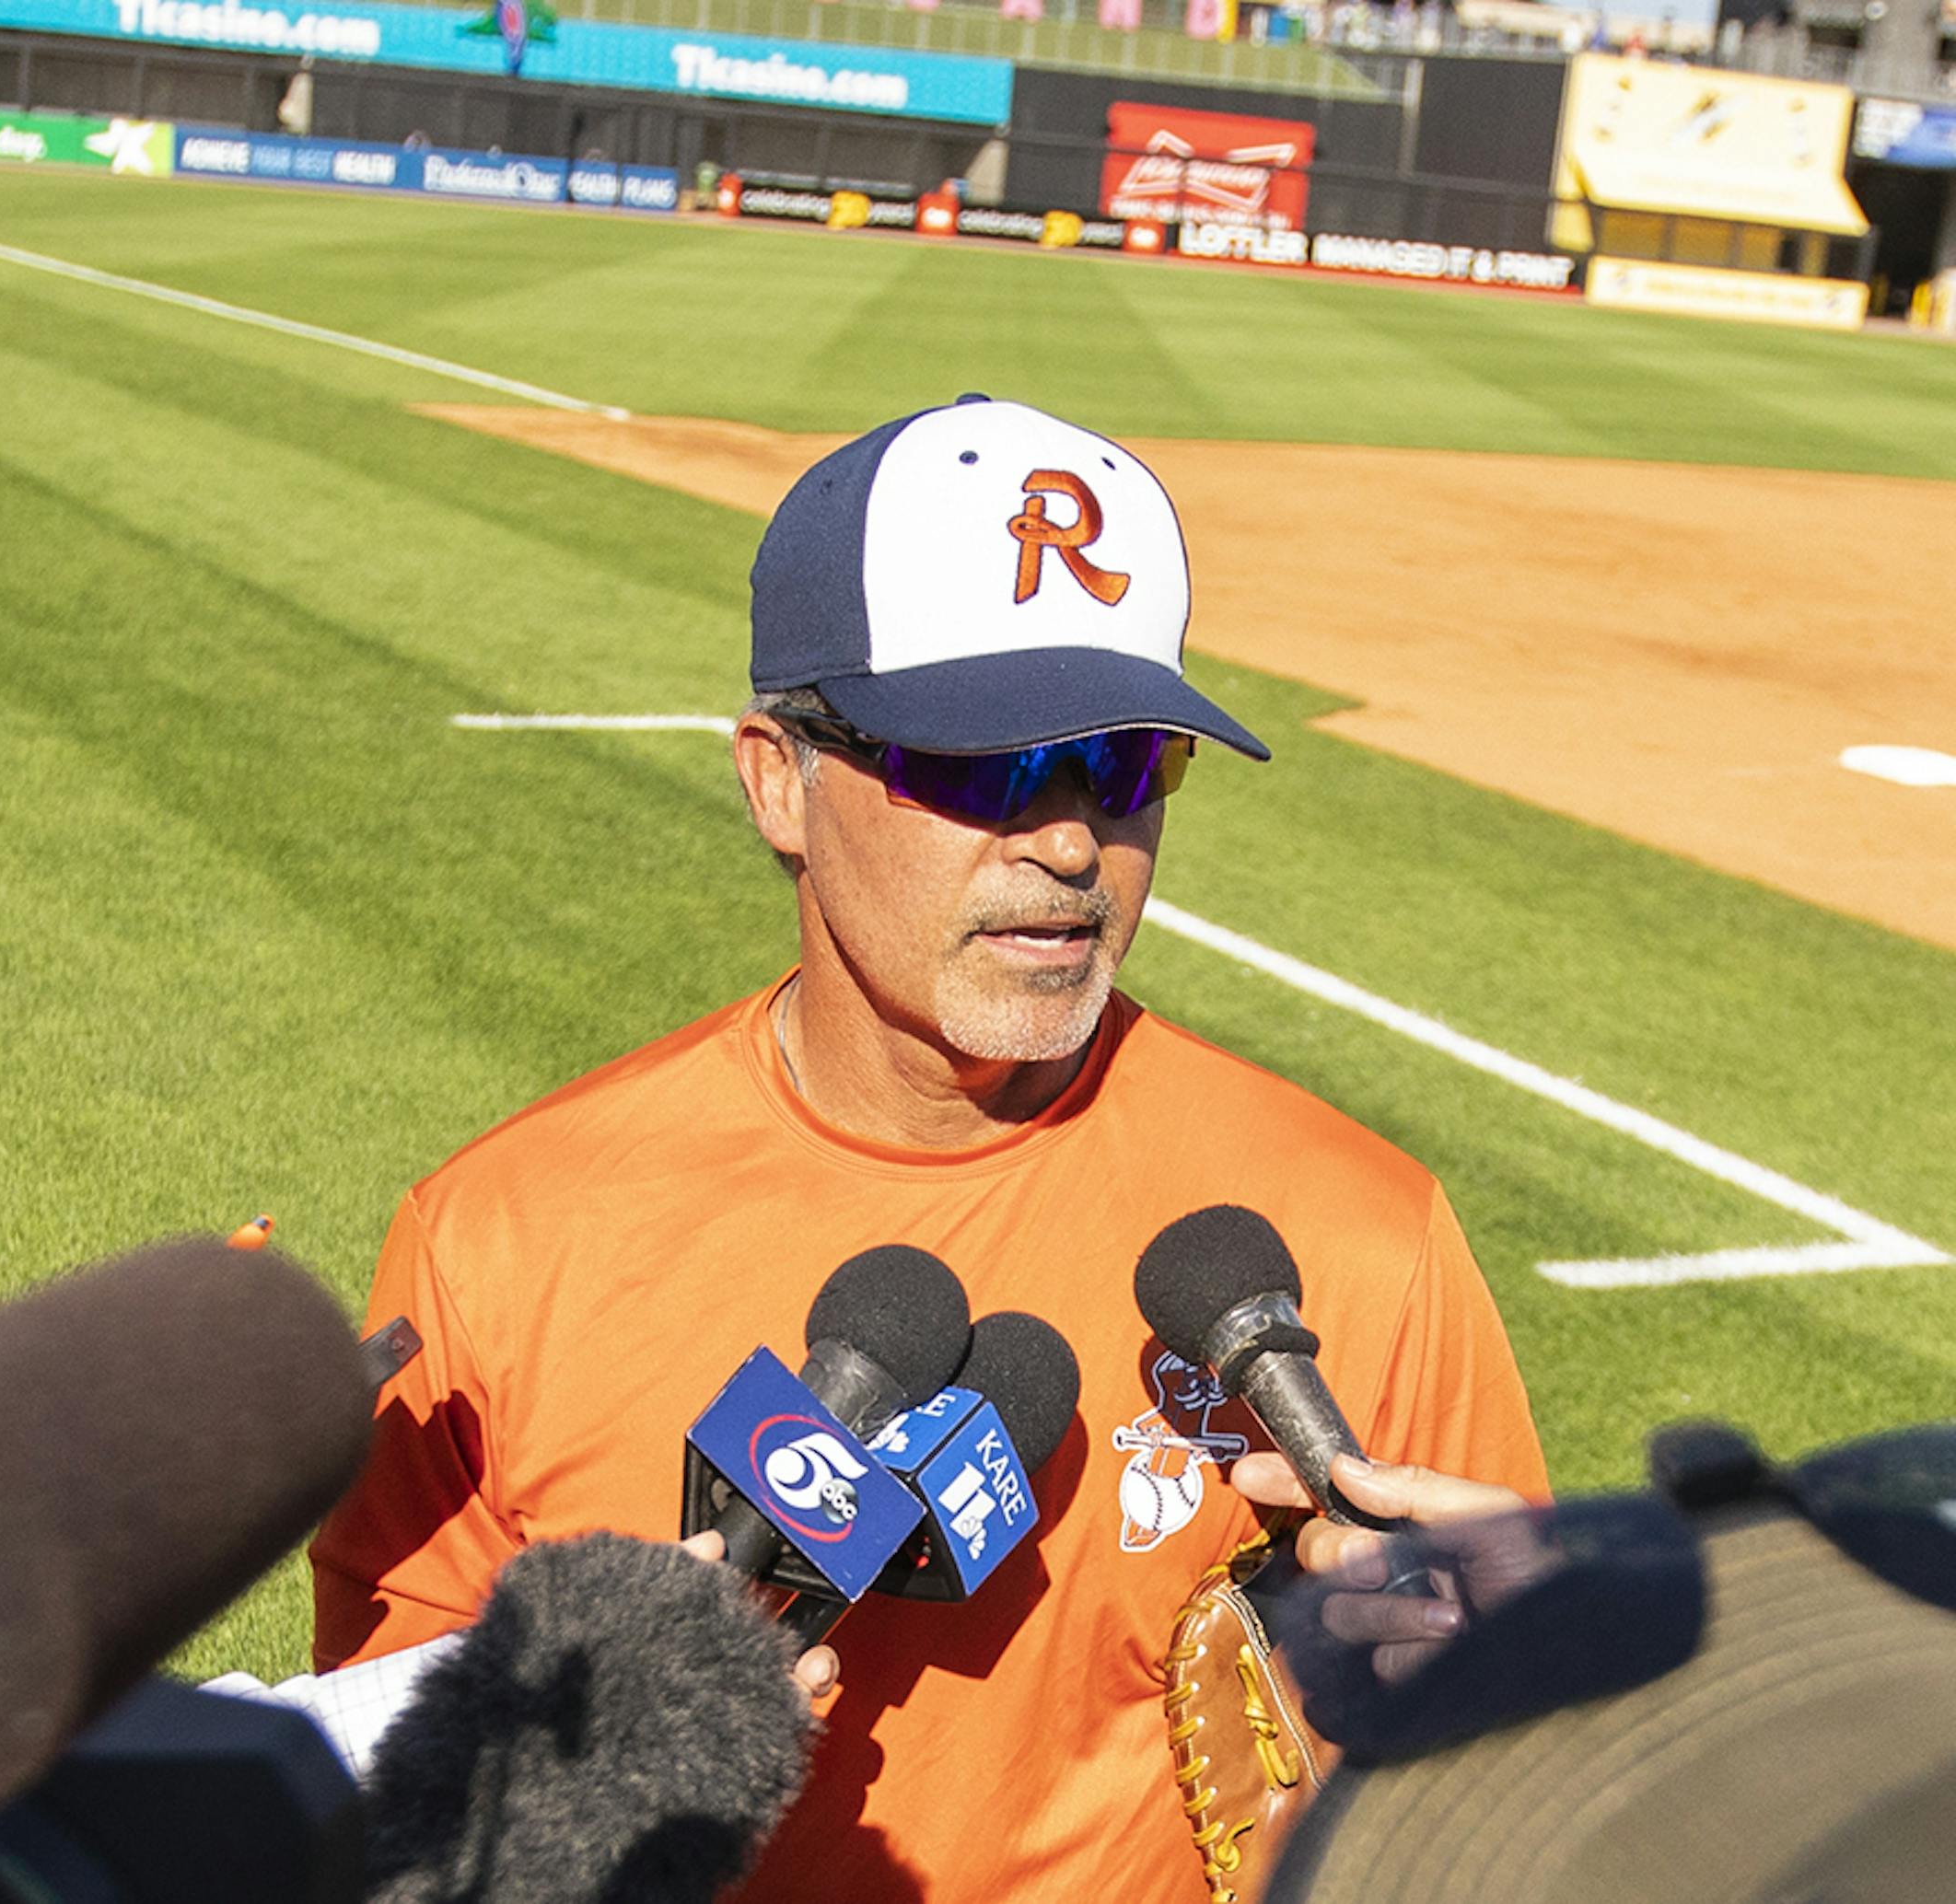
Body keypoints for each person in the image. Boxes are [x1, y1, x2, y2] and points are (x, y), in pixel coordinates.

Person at [311, 395, 1548, 1904]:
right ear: (779, 778)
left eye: (1127, 761)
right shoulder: (501, 1240)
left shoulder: (1358, 1237)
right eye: (990, 768)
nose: (1075, 843)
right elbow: (385, 1827)